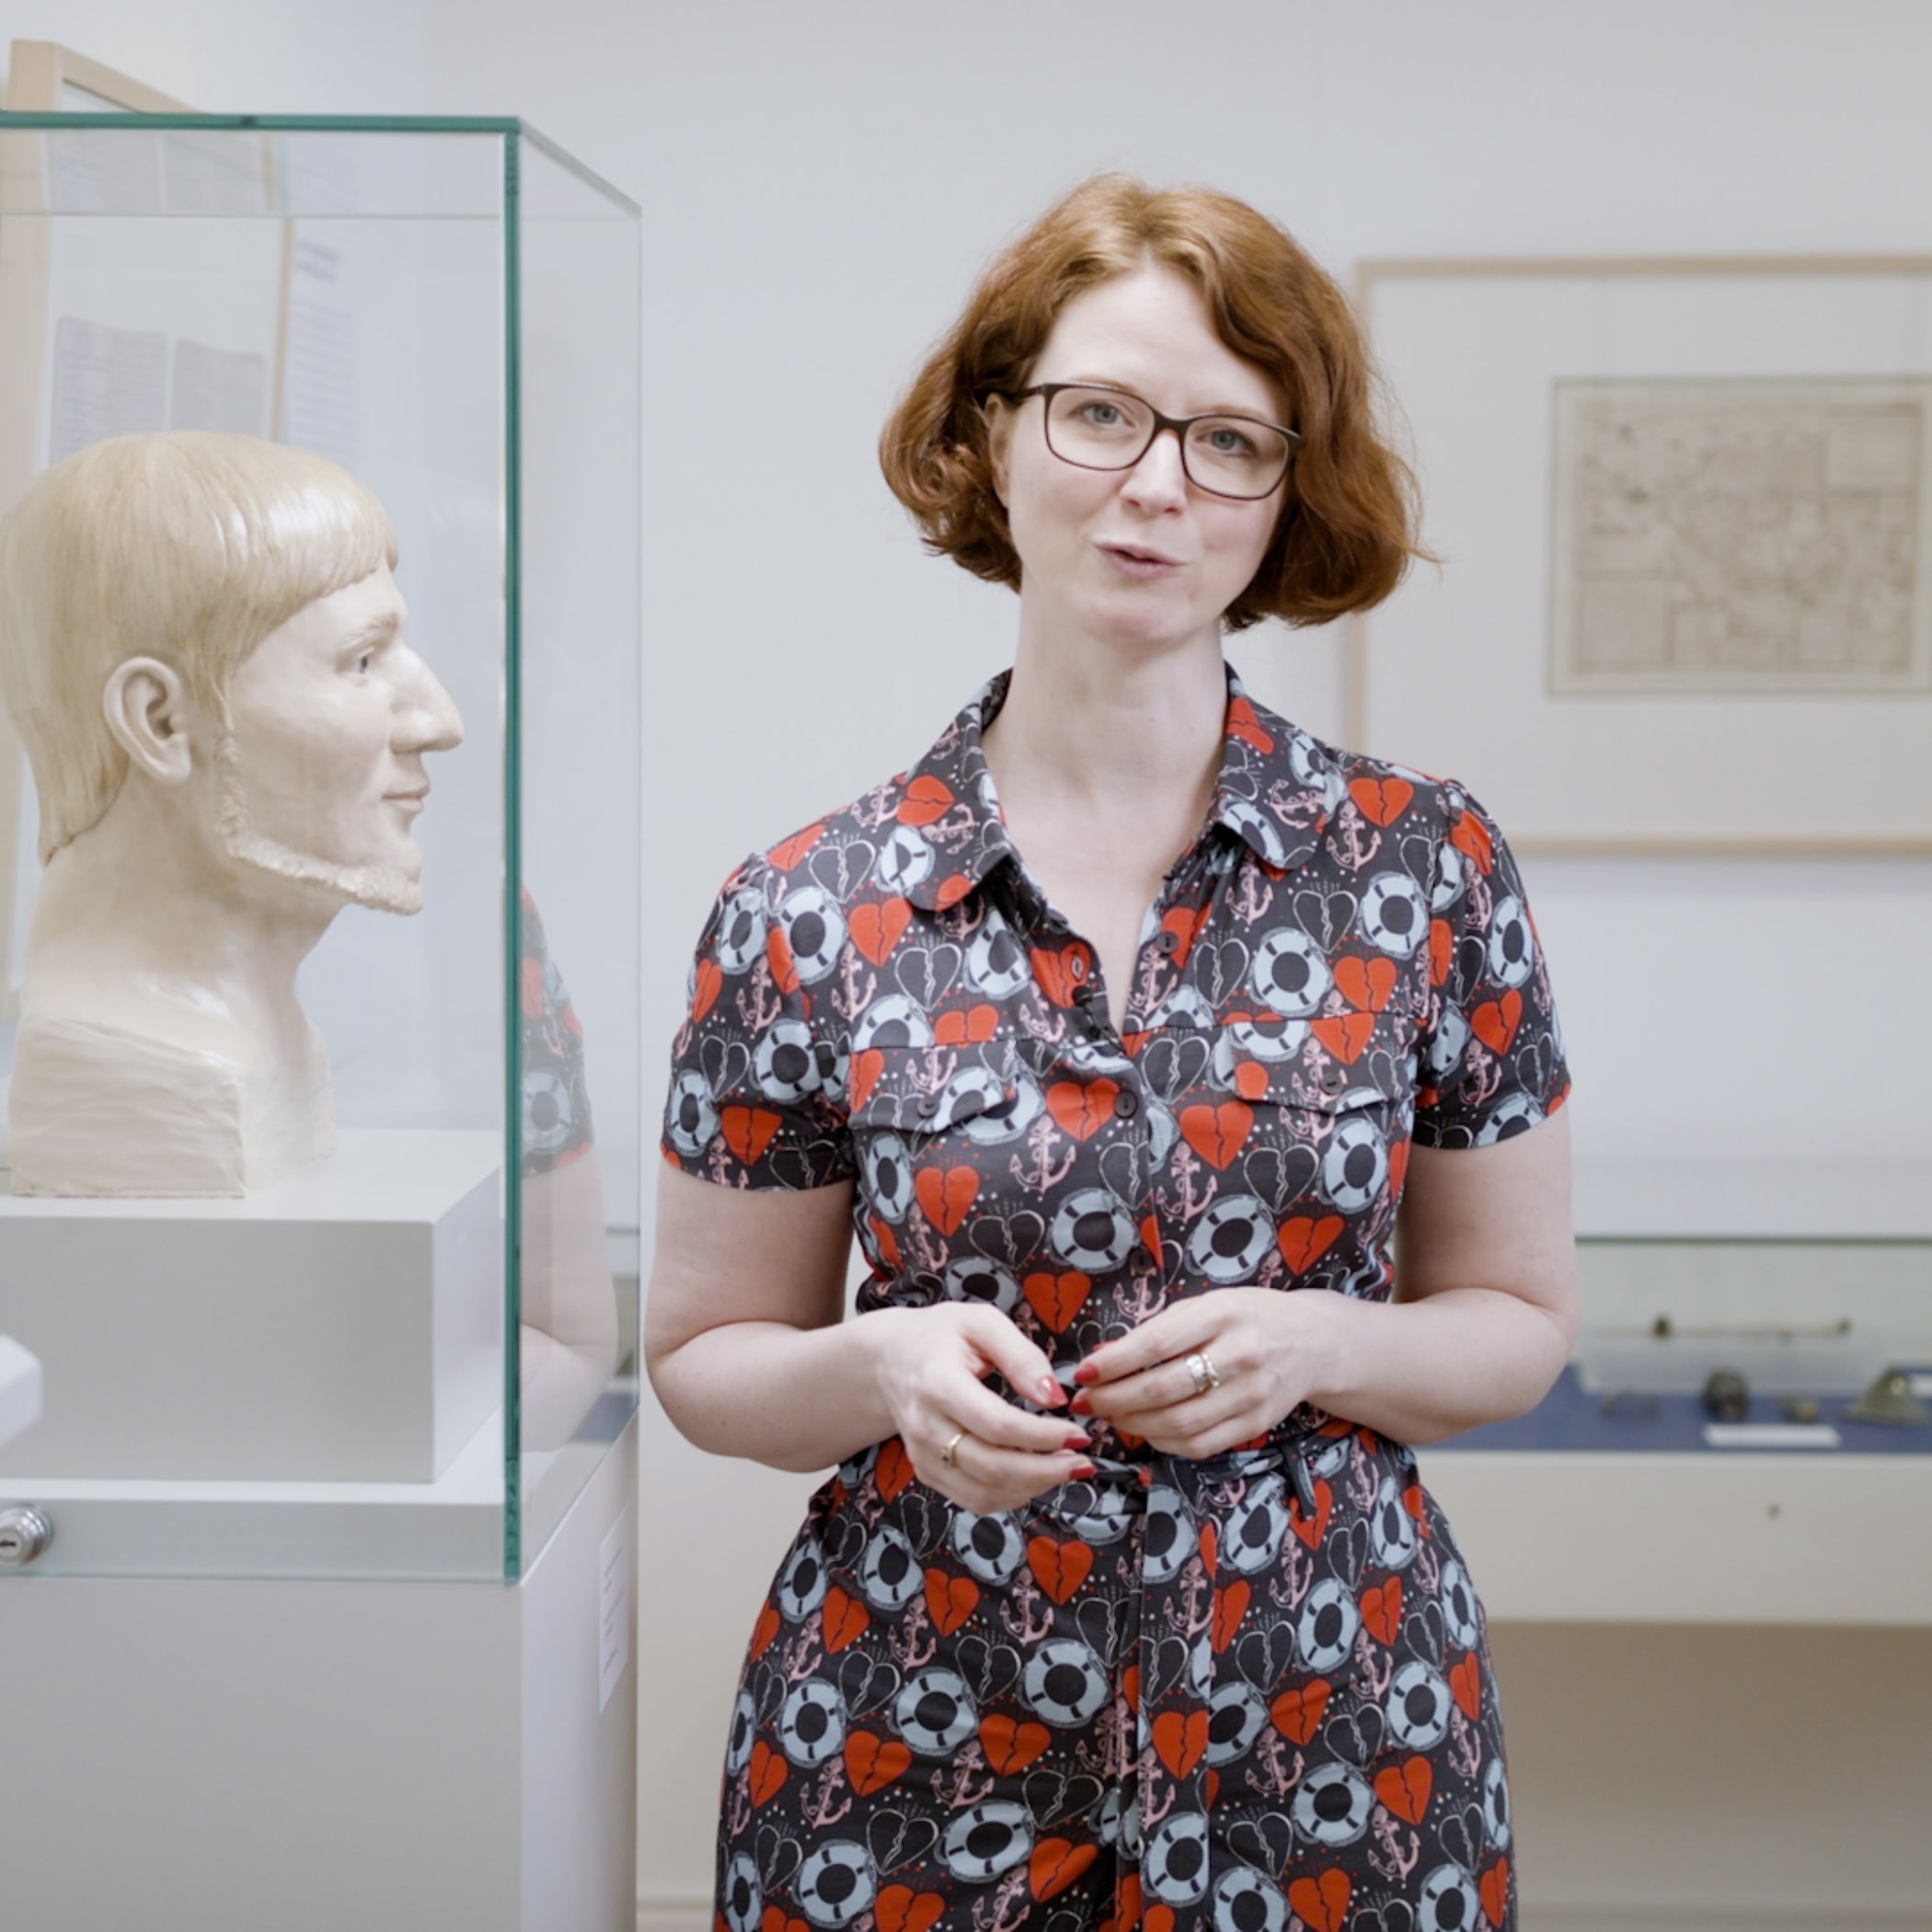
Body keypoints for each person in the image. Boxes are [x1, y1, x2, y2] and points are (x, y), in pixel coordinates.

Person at [647, 176, 1574, 1932]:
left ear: (1287, 493)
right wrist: (886, 1371)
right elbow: (707, 1356)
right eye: (1102, 414)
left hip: (1333, 1733)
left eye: (1231, 439)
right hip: (906, 1746)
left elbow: (1516, 1326)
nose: (1159, 484)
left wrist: (1323, 1342)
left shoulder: (1425, 869)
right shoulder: (807, 906)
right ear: (993, 436)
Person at [0, 431, 463, 1194]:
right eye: (361, 662)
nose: (440, 721)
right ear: (160, 723)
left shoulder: (268, 1050)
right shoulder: (132, 1068)